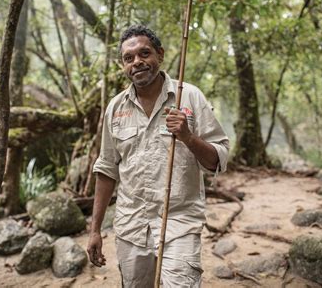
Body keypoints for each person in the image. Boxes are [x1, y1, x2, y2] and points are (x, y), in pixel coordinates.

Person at [87, 24, 229, 287]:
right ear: (123, 65)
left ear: (160, 55)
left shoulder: (190, 97)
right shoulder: (115, 107)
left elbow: (217, 159)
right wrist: (94, 231)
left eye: (144, 54)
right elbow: (107, 169)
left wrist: (188, 137)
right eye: (128, 59)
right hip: (131, 227)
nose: (137, 62)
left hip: (179, 224)